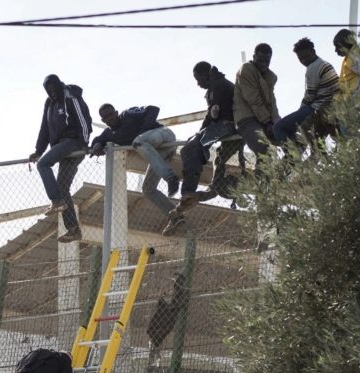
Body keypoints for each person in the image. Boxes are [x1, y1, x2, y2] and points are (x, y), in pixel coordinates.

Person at [89, 103, 184, 236]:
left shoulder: (127, 114)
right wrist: (97, 145)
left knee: (137, 142)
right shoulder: (109, 134)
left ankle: (170, 178)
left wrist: (143, 131)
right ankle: (176, 217)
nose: (109, 118)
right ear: (103, 121)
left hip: (161, 135)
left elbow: (153, 109)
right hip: (158, 152)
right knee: (148, 189)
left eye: (111, 114)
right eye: (106, 117)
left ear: (116, 112)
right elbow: (99, 139)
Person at [29, 74, 92, 244]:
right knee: (63, 187)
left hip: (74, 142)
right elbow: (45, 127)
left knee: (44, 164)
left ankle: (56, 201)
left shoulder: (70, 95)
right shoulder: (49, 103)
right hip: (60, 146)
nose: (52, 93)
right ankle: (73, 230)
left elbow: (83, 119)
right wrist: (38, 150)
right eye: (48, 90)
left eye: (53, 89)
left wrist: (84, 143)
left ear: (59, 86)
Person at [174, 61, 237, 214]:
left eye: (198, 79)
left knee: (190, 149)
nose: (198, 83)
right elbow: (212, 115)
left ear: (204, 75)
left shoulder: (217, 85)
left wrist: (200, 137)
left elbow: (213, 114)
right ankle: (190, 191)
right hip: (226, 125)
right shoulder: (218, 84)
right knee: (192, 146)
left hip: (226, 125)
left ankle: (188, 192)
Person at [273, 38, 339, 150]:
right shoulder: (325, 64)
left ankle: (293, 154)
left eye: (306, 57)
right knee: (298, 125)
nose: (304, 61)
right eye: (300, 59)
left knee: (279, 127)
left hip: (318, 107)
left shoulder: (313, 67)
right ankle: (301, 149)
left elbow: (310, 96)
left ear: (313, 51)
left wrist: (300, 111)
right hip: (328, 105)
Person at [233, 43, 282, 161]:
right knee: (264, 152)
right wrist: (267, 121)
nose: (264, 64)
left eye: (267, 61)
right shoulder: (246, 69)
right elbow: (252, 98)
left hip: (266, 119)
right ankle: (263, 179)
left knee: (292, 141)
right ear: (254, 56)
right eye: (260, 60)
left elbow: (272, 101)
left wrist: (276, 120)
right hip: (247, 119)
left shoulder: (270, 76)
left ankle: (282, 174)